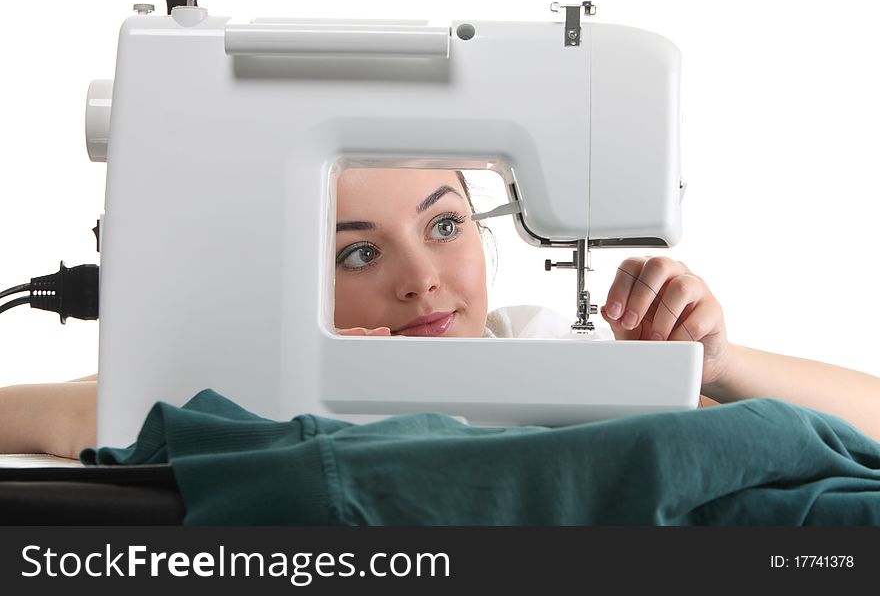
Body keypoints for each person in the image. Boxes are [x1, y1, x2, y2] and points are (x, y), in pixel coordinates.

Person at [1, 167, 879, 458]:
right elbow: (75, 410)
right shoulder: (254, 383)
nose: (423, 281)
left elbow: (863, 430)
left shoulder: (540, 343)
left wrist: (715, 364)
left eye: (445, 223)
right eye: (357, 250)